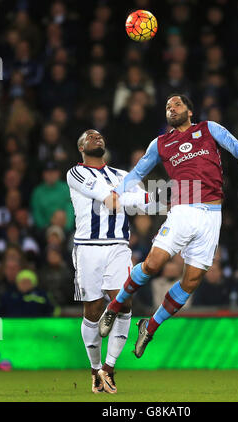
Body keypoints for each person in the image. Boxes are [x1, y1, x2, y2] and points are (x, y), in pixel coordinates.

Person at [98, 94, 238, 358]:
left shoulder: (208, 129)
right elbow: (138, 172)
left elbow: (229, 141)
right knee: (153, 264)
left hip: (212, 215)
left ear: (189, 110)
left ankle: (149, 327)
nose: (171, 109)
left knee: (191, 281)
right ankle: (115, 306)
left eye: (176, 104)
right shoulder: (161, 143)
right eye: (167, 106)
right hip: (183, 210)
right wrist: (118, 192)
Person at [66, 129, 158, 394]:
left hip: (118, 245)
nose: (97, 137)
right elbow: (111, 199)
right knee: (93, 310)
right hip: (88, 248)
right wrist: (143, 198)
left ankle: (110, 367)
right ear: (81, 147)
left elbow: (146, 204)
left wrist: (158, 199)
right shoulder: (76, 173)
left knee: (124, 301)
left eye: (99, 136)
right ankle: (95, 370)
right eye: (89, 136)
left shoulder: (121, 175)